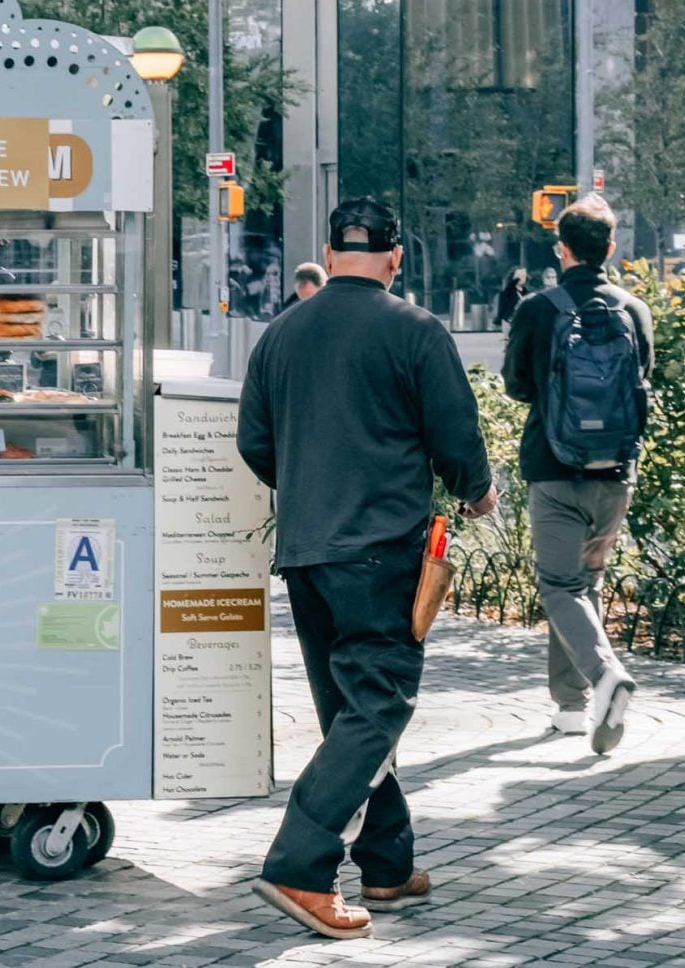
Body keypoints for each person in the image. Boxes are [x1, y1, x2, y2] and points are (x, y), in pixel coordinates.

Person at [237, 197, 496, 940]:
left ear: (330, 247)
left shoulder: (280, 335)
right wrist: (477, 493)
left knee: (350, 712)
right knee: (378, 708)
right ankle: (298, 866)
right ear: (396, 257)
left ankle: (385, 863)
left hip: (306, 551)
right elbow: (456, 437)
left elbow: (255, 443)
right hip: (382, 550)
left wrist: (311, 485)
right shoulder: (415, 329)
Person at [502, 195, 651, 753]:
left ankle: (603, 675)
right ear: (610, 248)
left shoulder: (540, 309)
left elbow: (516, 386)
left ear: (561, 249)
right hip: (615, 471)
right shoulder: (633, 310)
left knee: (559, 586)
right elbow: (641, 383)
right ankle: (570, 710)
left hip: (554, 466)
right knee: (582, 586)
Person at [494, 267, 528, 338]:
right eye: (519, 275)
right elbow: (503, 310)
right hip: (510, 323)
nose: (521, 277)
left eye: (523, 275)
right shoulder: (508, 292)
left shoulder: (527, 292)